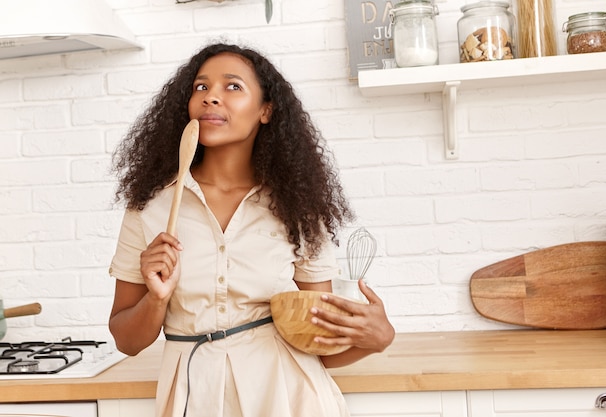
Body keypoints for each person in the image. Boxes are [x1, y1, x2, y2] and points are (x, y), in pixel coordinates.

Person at [108, 42, 395, 417]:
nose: (211, 97)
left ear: (265, 110)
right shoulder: (150, 206)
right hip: (193, 398)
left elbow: (318, 343)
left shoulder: (297, 205)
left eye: (232, 87)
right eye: (200, 87)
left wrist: (377, 339)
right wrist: (157, 299)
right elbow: (126, 341)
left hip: (289, 397)